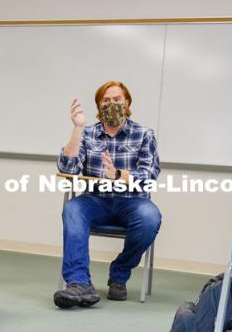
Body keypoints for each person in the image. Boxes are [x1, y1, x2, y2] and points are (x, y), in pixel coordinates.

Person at [54, 81, 162, 309]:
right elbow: (68, 170)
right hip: (95, 200)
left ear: (127, 103)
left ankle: (120, 273)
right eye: (106, 100)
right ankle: (78, 283)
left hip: (133, 201)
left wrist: (119, 175)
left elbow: (150, 173)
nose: (111, 104)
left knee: (150, 218)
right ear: (98, 106)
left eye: (117, 100)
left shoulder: (144, 134)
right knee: (72, 209)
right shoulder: (88, 134)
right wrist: (77, 128)